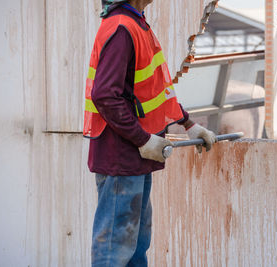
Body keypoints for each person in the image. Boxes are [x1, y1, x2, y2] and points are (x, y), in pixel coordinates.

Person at [83, 0, 217, 266]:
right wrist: (142, 139)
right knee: (114, 251)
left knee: (136, 249)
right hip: (122, 157)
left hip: (137, 157)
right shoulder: (122, 28)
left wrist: (188, 124)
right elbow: (105, 96)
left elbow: (155, 89)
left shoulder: (137, 24)